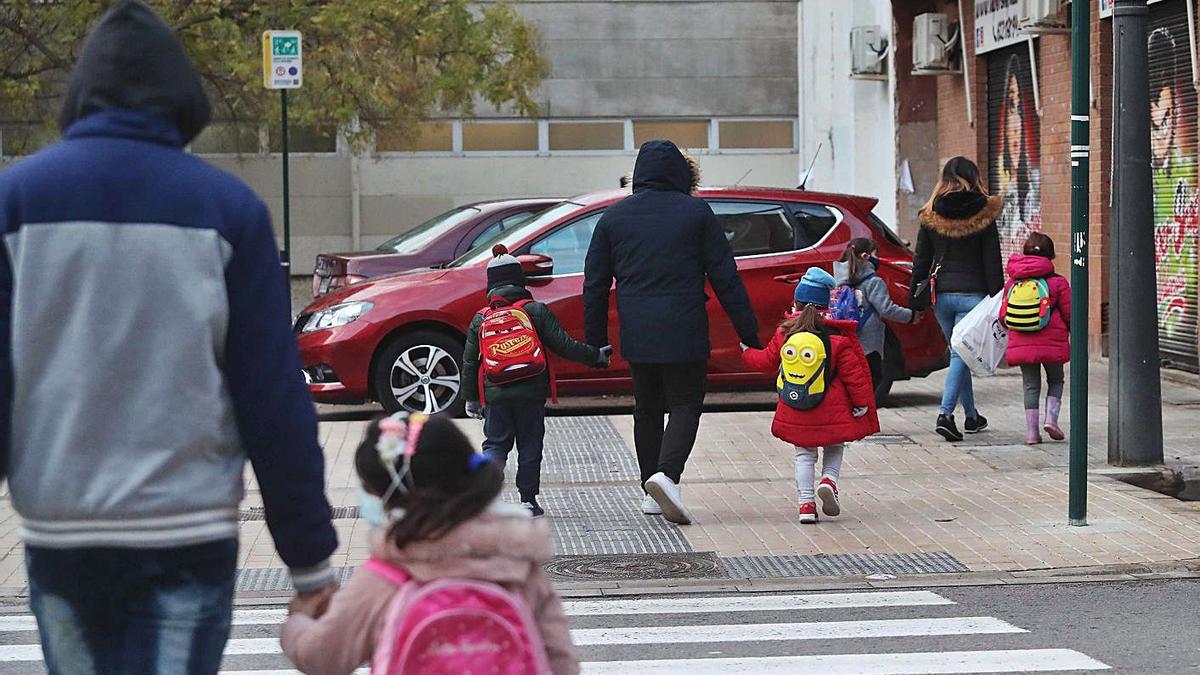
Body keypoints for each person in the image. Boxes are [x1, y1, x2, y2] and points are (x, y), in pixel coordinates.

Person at [0, 2, 338, 672]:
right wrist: (310, 562)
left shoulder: (17, 203)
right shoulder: (228, 211)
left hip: (62, 526)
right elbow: (271, 399)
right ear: (183, 100)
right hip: (187, 526)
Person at [282, 414, 579, 675]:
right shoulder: (518, 566)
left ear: (394, 496)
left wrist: (299, 619)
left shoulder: (386, 576)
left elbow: (323, 658)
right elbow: (561, 661)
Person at [583, 140, 761, 525]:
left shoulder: (614, 218)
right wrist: (749, 333)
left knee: (646, 408)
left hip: (638, 331)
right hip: (685, 327)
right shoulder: (696, 213)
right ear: (680, 173)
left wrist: (595, 342)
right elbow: (726, 277)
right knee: (684, 404)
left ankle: (650, 487)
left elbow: (594, 284)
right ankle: (667, 474)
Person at [462, 245, 612, 518]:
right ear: (520, 281)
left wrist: (470, 398)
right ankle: (528, 501)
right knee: (530, 444)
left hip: (495, 395)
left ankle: (483, 497)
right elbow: (564, 344)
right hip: (531, 393)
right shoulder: (535, 311)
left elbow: (470, 362)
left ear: (491, 286)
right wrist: (596, 357)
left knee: (495, 445)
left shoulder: (480, 319)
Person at [741, 268, 880, 524]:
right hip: (833, 407)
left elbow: (765, 361)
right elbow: (854, 376)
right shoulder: (838, 337)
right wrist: (861, 404)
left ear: (797, 302)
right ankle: (829, 480)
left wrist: (746, 351)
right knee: (835, 445)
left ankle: (806, 505)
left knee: (804, 455)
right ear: (826, 305)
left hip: (797, 405)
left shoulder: (786, 334)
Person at [911, 156, 1004, 443]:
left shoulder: (930, 213)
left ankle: (972, 416)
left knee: (959, 353)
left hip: (941, 295)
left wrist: (914, 295)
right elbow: (992, 259)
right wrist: (998, 297)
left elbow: (921, 259)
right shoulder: (984, 212)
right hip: (973, 296)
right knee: (959, 354)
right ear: (973, 177)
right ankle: (946, 415)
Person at [999, 233, 1071, 445]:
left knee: (1030, 385)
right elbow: (1070, 313)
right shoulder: (1057, 282)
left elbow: (1003, 317)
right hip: (1053, 341)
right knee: (1056, 379)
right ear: (1051, 255)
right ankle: (1051, 419)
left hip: (1022, 343)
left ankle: (1032, 434)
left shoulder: (1012, 283)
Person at [832, 237, 917, 389]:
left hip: (847, 339)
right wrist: (910, 316)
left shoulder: (839, 280)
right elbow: (886, 309)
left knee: (850, 385)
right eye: (875, 254)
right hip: (869, 344)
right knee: (871, 383)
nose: (877, 259)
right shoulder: (874, 282)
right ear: (866, 256)